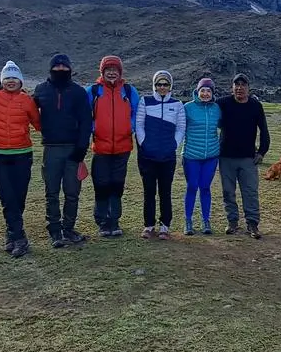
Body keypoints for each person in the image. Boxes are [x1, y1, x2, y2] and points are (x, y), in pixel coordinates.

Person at [32, 53, 92, 248]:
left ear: (70, 69)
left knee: (72, 192)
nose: (60, 69)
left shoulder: (78, 92)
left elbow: (86, 121)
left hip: (73, 149)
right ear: (51, 69)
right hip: (51, 149)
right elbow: (24, 107)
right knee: (51, 192)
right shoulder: (40, 90)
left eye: (64, 67)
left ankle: (68, 228)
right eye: (56, 67)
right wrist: (2, 92)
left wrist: (81, 148)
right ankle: (55, 230)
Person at [0, 60, 42, 257]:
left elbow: (38, 123)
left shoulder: (27, 100)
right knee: (7, 196)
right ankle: (19, 237)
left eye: (14, 78)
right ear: (1, 81)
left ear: (20, 81)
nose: (10, 81)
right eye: (7, 78)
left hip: (22, 154)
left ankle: (12, 233)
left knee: (19, 196)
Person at [86, 55, 139, 238]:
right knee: (101, 184)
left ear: (120, 72)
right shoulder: (93, 91)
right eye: (108, 70)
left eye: (115, 70)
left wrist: (130, 127)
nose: (111, 73)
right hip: (101, 148)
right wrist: (94, 128)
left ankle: (114, 220)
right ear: (102, 72)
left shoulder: (129, 91)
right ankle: (102, 221)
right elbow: (85, 114)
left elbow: (137, 113)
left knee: (117, 185)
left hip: (123, 148)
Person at [216, 72, 270, 239]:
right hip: (226, 157)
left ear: (248, 88)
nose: (239, 88)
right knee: (228, 192)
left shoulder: (255, 106)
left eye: (243, 85)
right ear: (232, 88)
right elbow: (205, 108)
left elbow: (264, 129)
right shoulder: (223, 103)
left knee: (250, 192)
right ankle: (232, 221)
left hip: (248, 158)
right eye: (236, 85)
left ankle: (252, 224)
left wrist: (262, 151)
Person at [134, 69, 186, 238]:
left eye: (165, 84)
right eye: (159, 84)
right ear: (154, 86)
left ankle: (165, 226)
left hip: (167, 157)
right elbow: (139, 125)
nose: (162, 87)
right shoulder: (145, 101)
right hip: (147, 156)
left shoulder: (178, 104)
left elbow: (181, 128)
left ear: (170, 86)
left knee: (165, 191)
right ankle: (149, 226)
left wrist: (173, 145)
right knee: (149, 191)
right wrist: (144, 143)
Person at [182, 77, 221, 236]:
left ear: (212, 93)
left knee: (205, 187)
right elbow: (179, 128)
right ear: (197, 92)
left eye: (208, 91)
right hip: (191, 155)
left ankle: (206, 220)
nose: (205, 93)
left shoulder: (217, 109)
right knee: (192, 186)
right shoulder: (187, 108)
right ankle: (188, 221)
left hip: (211, 156)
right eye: (202, 90)